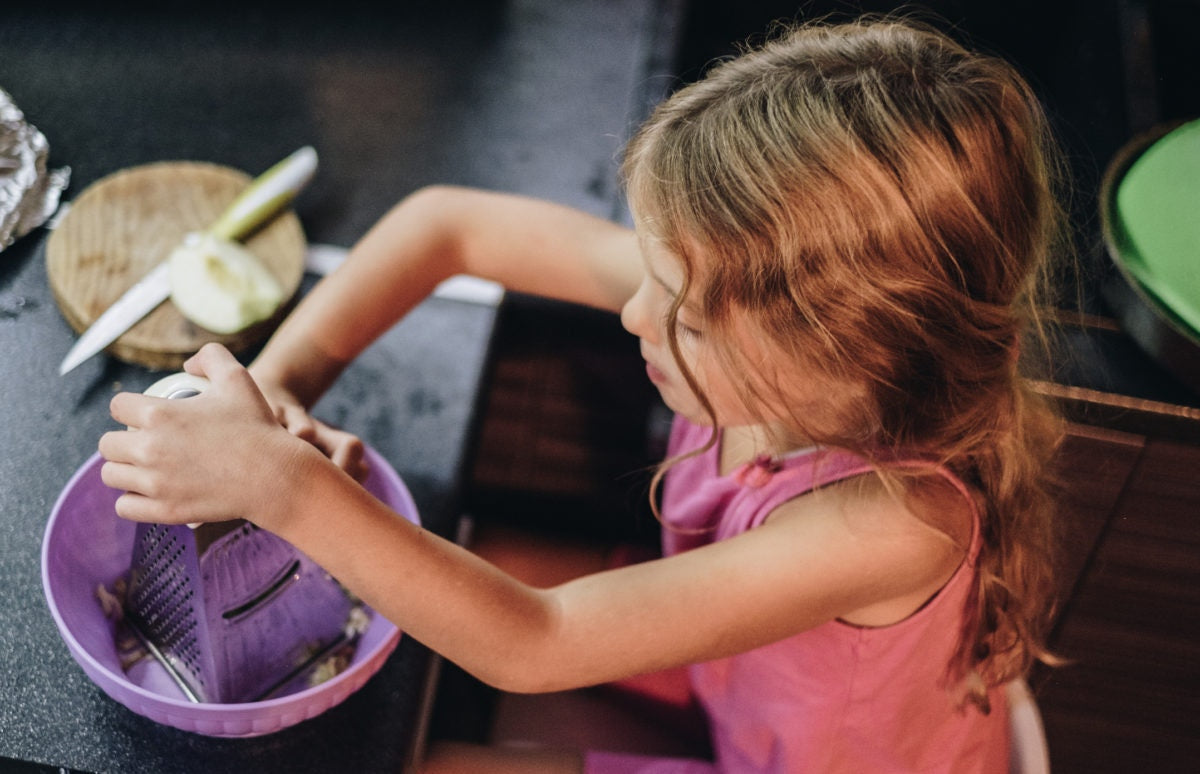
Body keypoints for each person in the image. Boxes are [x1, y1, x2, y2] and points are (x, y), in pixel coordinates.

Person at [98, 15, 1069, 774]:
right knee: (426, 566)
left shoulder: (899, 525)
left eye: (681, 317)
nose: (636, 313)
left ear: (848, 356)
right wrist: (271, 399)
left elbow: (536, 641)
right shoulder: (740, 298)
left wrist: (287, 489)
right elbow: (446, 226)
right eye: (650, 276)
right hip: (730, 687)